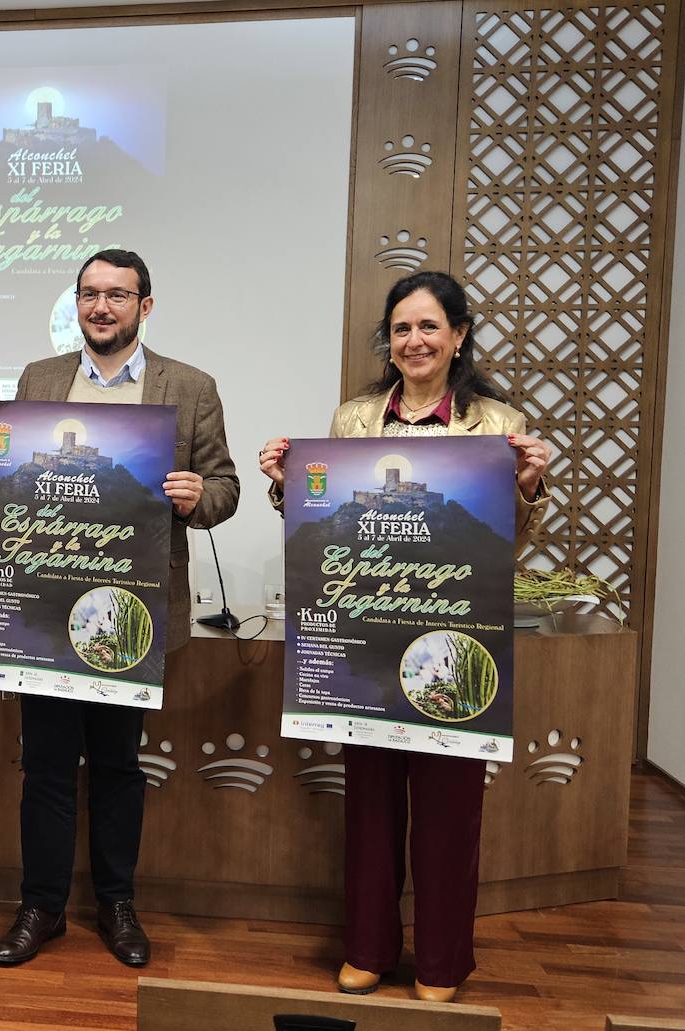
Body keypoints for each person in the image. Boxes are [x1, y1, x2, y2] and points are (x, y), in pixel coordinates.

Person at [258, 269, 551, 1003]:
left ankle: (442, 961)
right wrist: (282, 483)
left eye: (428, 326)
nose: (413, 340)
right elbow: (331, 526)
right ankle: (367, 946)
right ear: (387, 343)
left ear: (457, 336)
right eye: (400, 329)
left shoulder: (495, 422)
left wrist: (528, 487)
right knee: (371, 799)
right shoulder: (354, 419)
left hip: (458, 633)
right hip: (368, 637)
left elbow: (508, 543)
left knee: (452, 810)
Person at [0, 248, 239, 967]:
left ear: (146, 305)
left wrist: (195, 497)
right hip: (45, 608)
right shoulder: (39, 378)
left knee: (117, 764)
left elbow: (226, 485)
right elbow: (17, 478)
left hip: (131, 611)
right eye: (89, 294)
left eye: (118, 295)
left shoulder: (191, 386)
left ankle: (116, 903)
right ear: (75, 303)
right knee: (46, 766)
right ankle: (41, 905)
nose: (101, 307)